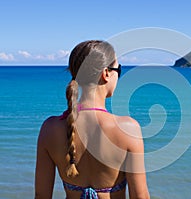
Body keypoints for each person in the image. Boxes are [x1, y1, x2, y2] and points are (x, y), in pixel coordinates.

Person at [35, 40, 150, 199]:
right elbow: (140, 196)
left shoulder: (49, 128)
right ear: (106, 73)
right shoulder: (128, 129)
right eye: (119, 69)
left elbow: (41, 195)